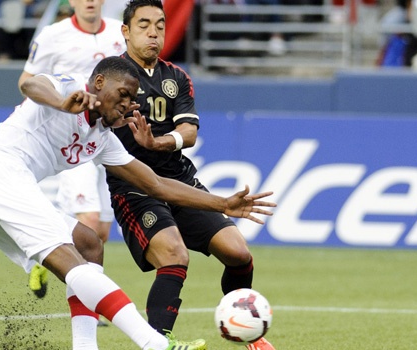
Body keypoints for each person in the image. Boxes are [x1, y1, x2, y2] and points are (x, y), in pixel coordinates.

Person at [0, 56, 276, 350]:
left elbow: (156, 184)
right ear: (98, 83)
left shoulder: (103, 139)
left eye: (132, 98)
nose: (127, 104)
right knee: (75, 262)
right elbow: (30, 85)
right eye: (122, 94)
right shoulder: (69, 87)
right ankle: (156, 344)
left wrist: (221, 203)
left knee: (88, 244)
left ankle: (85, 346)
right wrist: (61, 102)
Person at [106, 1, 276, 350]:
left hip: (180, 181)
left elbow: (189, 132)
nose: (154, 32)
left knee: (238, 253)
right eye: (143, 25)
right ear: (125, 31)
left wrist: (160, 141)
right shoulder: (113, 77)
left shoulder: (176, 77)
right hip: (135, 187)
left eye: (160, 25)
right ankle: (157, 341)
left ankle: (248, 329)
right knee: (174, 254)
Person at [17, 0, 126, 299]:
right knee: (88, 220)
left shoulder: (120, 33)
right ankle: (92, 303)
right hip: (71, 136)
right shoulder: (53, 35)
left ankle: (45, 254)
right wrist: (56, 106)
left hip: (105, 135)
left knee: (101, 232)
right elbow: (26, 82)